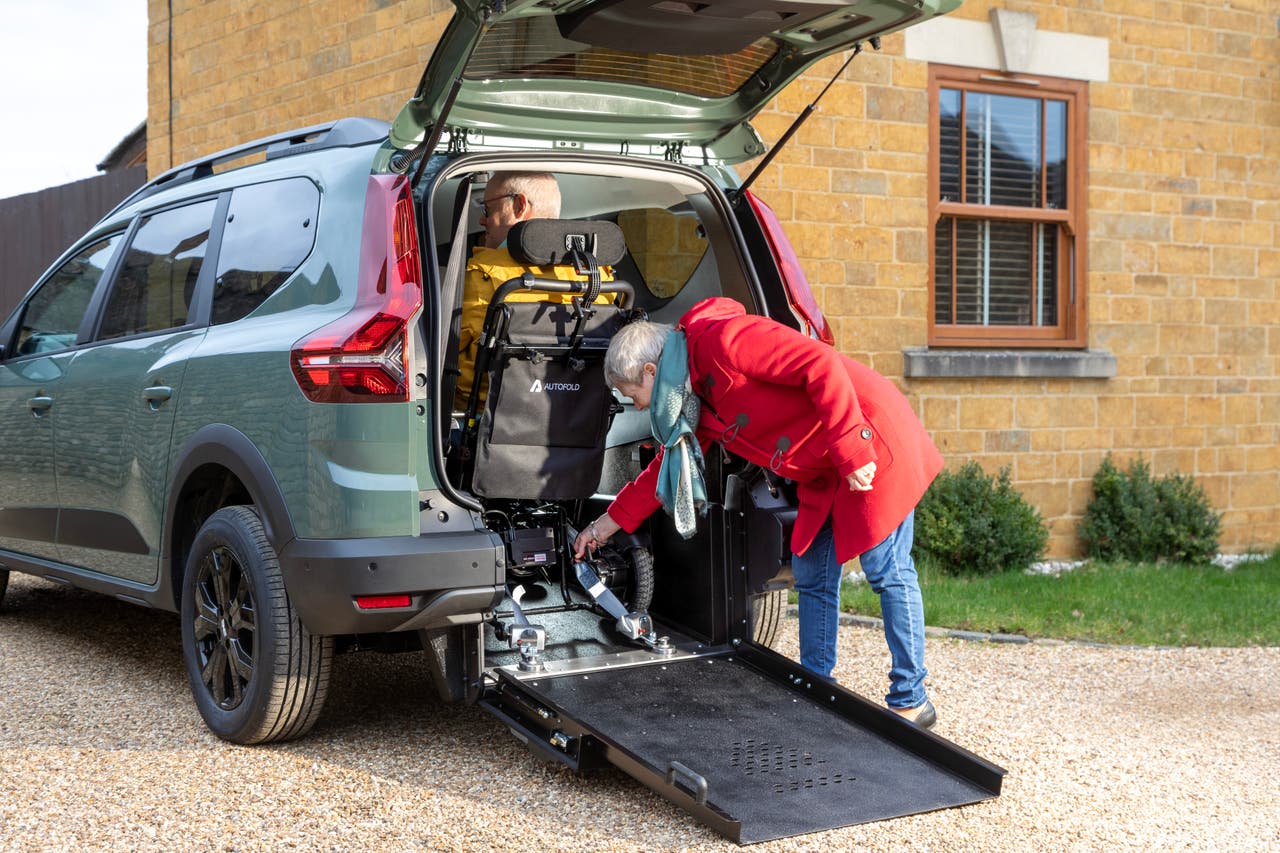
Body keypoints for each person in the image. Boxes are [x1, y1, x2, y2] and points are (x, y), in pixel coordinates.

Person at [572, 297, 944, 728]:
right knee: (811, 572)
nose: (638, 407)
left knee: (887, 569)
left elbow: (820, 364)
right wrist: (603, 526)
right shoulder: (691, 400)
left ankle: (911, 700)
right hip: (824, 465)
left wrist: (852, 447)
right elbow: (665, 473)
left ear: (651, 372)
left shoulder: (724, 341)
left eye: (633, 395)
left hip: (867, 436)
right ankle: (816, 685)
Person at [453, 171, 614, 411]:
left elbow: (447, 356)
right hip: (577, 417)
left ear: (520, 205)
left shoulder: (483, 274)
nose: (482, 221)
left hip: (492, 418)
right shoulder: (599, 276)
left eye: (487, 209)